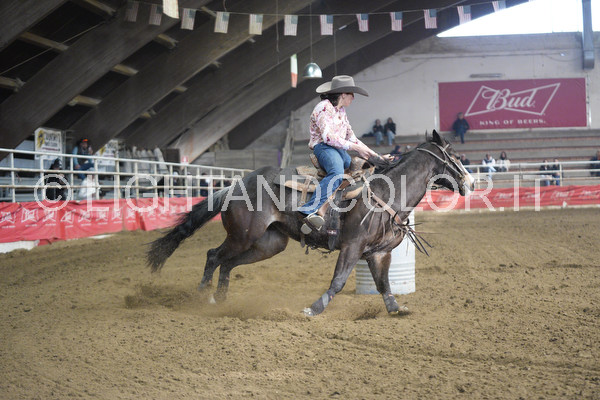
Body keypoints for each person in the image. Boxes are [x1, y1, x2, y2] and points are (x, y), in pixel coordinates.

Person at [298, 75, 382, 234]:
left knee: (354, 170)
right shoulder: (324, 108)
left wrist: (374, 155)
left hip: (338, 149)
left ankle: (336, 211)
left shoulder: (341, 111)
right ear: (343, 94)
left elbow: (352, 137)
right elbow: (328, 137)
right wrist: (356, 148)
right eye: (351, 93)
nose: (353, 97)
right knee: (336, 173)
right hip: (324, 147)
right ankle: (309, 209)